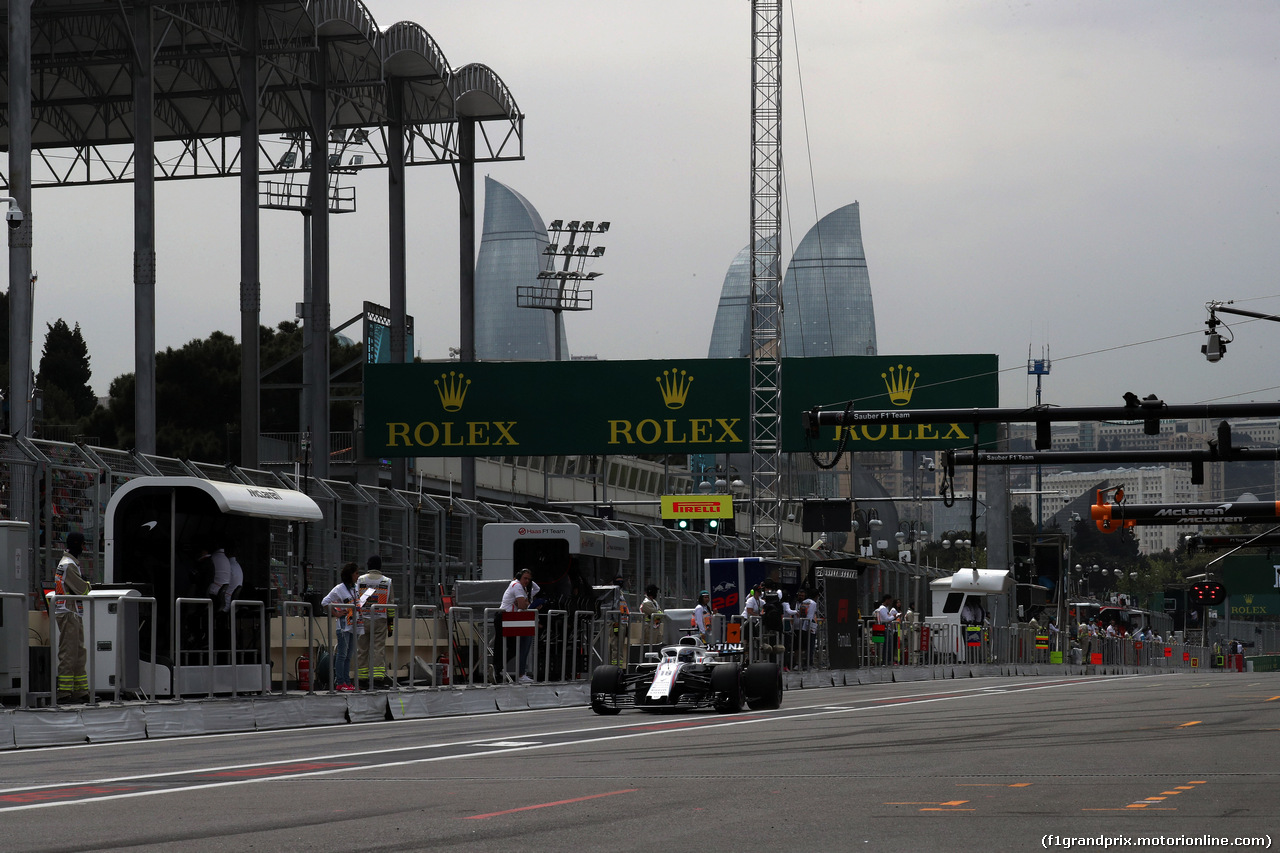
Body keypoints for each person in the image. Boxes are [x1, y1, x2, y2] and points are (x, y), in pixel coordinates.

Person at [52, 532, 91, 702]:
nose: (83, 548)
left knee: (78, 652)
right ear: (76, 544)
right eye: (82, 544)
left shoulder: (69, 563)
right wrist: (87, 583)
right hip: (68, 613)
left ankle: (81, 692)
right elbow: (83, 590)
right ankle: (64, 692)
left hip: (72, 612)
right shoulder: (69, 565)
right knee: (69, 653)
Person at [321, 562, 361, 692]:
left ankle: (347, 681)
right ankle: (340, 681)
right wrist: (336, 613)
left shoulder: (355, 588)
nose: (357, 576)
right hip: (343, 626)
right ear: (350, 575)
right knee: (342, 655)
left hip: (354, 625)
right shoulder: (339, 589)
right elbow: (325, 602)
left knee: (349, 655)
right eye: (356, 573)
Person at [356, 555, 394, 688]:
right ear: (380, 566)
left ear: (368, 565)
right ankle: (378, 679)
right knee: (378, 649)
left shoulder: (360, 580)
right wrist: (391, 625)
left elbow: (355, 600)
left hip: (362, 619)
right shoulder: (387, 581)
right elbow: (390, 604)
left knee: (362, 649)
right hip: (380, 619)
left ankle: (361, 679)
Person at [501, 568, 540, 682]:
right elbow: (522, 605)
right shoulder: (517, 585)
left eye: (529, 579)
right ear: (519, 577)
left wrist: (526, 601)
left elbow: (537, 589)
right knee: (521, 646)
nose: (527, 581)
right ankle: (519, 674)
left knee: (519, 647)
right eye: (525, 578)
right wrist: (528, 603)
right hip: (510, 618)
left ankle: (511, 670)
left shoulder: (523, 588)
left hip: (515, 619)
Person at [795, 587, 818, 670]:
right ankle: (809, 664)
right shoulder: (813, 603)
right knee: (810, 646)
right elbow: (810, 616)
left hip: (802, 626)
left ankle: (804, 663)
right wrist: (810, 627)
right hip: (809, 627)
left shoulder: (804, 602)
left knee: (804, 646)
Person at [874, 594, 894, 665]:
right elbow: (887, 619)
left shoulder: (885, 608)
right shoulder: (882, 609)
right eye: (890, 600)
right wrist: (894, 616)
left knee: (887, 645)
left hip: (883, 628)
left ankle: (886, 660)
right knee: (885, 645)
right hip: (882, 627)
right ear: (887, 600)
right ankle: (885, 660)